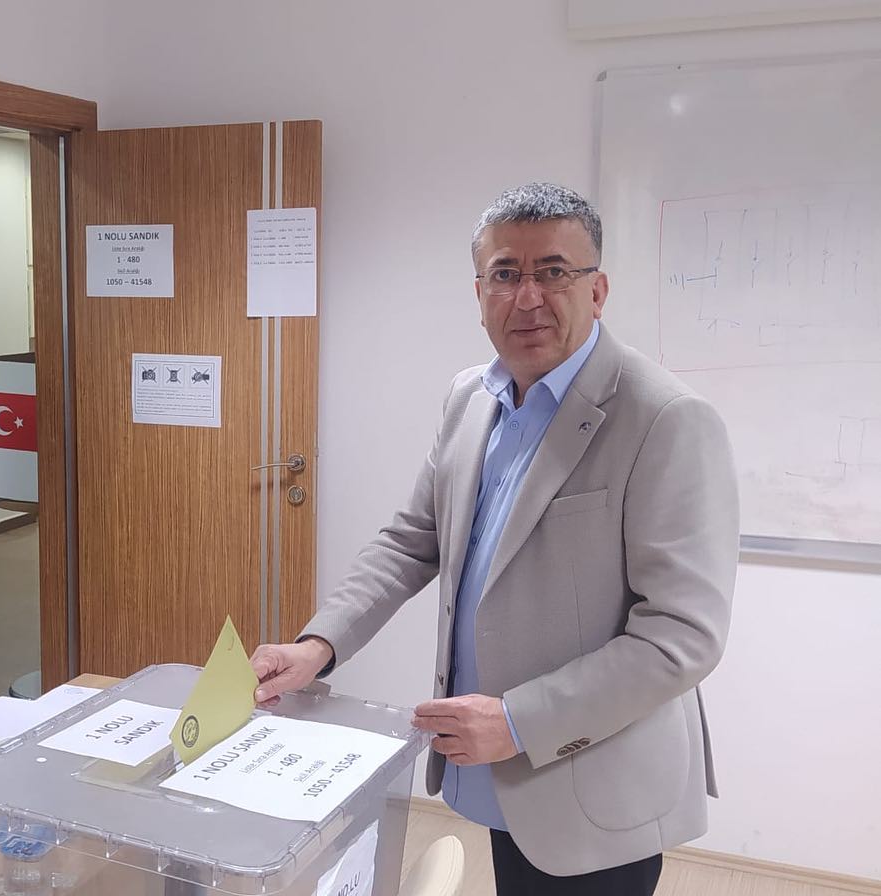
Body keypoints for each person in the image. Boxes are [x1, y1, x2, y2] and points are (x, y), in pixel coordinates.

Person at [251, 184, 739, 894]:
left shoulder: (664, 418)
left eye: (554, 271)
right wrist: (317, 645)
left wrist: (517, 721)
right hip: (497, 769)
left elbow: (681, 637)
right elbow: (410, 540)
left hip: (593, 778)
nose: (528, 297)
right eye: (506, 273)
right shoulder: (470, 398)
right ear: (480, 293)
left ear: (598, 290)